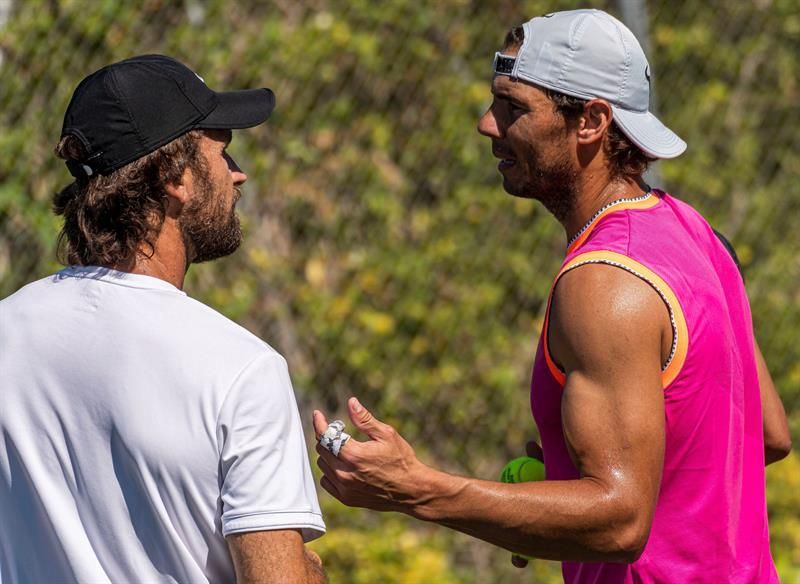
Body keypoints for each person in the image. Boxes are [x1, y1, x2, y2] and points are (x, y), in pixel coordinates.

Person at [312, 9, 791, 583]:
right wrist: (556, 484)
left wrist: (420, 489)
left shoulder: (605, 281)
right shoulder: (694, 231)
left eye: (514, 107)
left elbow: (619, 522)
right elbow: (765, 434)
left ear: (591, 120)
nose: (487, 124)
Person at [0, 55, 327, 583]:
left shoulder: (6, 333)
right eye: (224, 152)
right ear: (175, 177)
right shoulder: (242, 369)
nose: (238, 174)